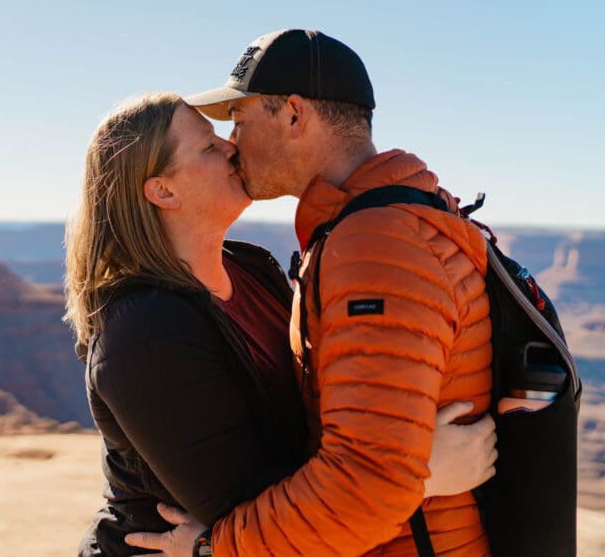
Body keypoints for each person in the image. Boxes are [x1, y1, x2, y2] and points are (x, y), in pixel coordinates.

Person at [66, 90, 496, 556]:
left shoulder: (252, 270)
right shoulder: (146, 329)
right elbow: (238, 507)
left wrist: (387, 459)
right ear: (163, 191)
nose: (232, 146)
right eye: (209, 147)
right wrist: (412, 474)